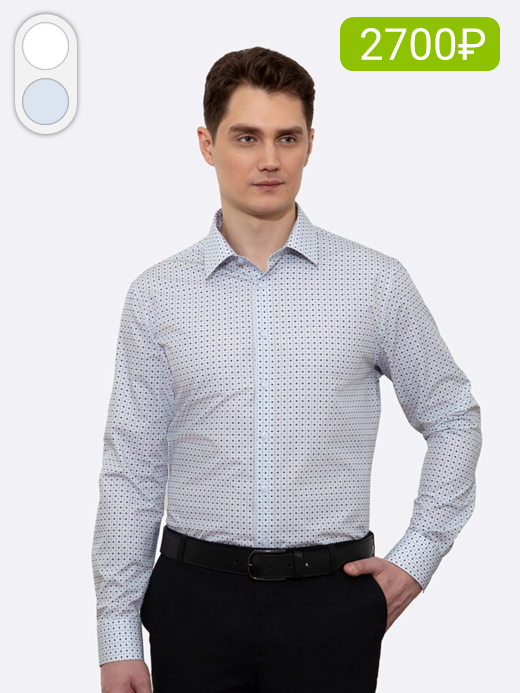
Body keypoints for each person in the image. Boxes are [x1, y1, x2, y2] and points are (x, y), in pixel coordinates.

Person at [92, 46, 482, 693]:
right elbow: (132, 468)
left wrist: (417, 557)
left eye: (287, 137)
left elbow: (453, 417)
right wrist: (116, 637)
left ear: (309, 145)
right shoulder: (157, 295)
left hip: (331, 604)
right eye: (246, 137)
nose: (269, 159)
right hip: (193, 603)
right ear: (208, 145)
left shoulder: (376, 283)